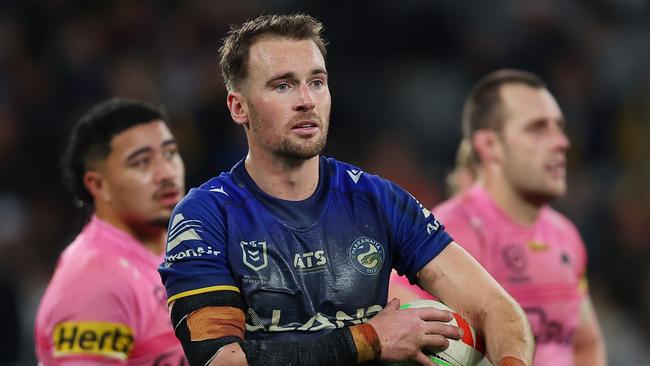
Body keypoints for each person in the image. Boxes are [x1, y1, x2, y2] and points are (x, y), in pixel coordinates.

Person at [159, 14, 534, 366]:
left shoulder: (376, 200)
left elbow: (495, 307)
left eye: (317, 82)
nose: (307, 100)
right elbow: (221, 360)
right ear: (238, 107)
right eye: (283, 85)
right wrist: (367, 339)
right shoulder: (204, 216)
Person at [389, 69, 607, 365]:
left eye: (559, 127)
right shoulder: (453, 228)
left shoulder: (564, 234)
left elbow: (586, 344)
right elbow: (398, 306)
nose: (562, 142)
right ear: (490, 145)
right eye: (538, 128)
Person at [35, 98, 188, 365]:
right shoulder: (95, 279)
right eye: (142, 162)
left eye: (170, 153)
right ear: (98, 185)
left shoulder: (187, 248)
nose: (165, 172)